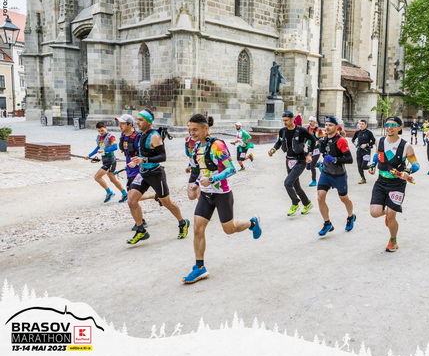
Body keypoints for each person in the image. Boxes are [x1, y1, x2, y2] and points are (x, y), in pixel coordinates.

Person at [181, 114, 261, 284]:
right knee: (197, 229)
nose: (192, 133)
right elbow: (203, 170)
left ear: (206, 128)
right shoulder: (197, 147)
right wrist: (197, 183)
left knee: (229, 229)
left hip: (222, 194)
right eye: (189, 130)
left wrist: (212, 179)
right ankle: (200, 267)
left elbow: (231, 169)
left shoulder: (217, 145)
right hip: (206, 194)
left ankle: (252, 223)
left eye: (195, 129)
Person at [126, 109, 190, 244]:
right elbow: (144, 154)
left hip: (156, 174)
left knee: (166, 202)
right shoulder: (142, 135)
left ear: (149, 122)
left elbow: (162, 156)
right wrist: (136, 161)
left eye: (140, 120)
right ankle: (141, 230)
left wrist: (144, 160)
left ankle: (182, 222)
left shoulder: (154, 136)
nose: (137, 122)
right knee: (131, 200)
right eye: (137, 119)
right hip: (143, 173)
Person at [368, 116, 419, 252]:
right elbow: (377, 155)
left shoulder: (406, 146)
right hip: (381, 181)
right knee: (374, 213)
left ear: (399, 128)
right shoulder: (380, 141)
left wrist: (407, 171)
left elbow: (416, 165)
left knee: (391, 214)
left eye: (393, 125)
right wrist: (372, 165)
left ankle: (393, 240)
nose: (389, 128)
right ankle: (390, 212)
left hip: (397, 184)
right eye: (387, 125)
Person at [268, 111, 316, 216]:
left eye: (286, 120)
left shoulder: (301, 130)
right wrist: (273, 149)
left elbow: (313, 139)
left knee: (287, 183)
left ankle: (295, 203)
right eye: (283, 120)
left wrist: (310, 154)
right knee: (296, 185)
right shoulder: (282, 131)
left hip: (300, 161)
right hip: (289, 160)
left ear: (292, 119)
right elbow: (279, 142)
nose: (284, 122)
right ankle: (307, 203)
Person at [316, 116, 355, 236]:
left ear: (336, 127)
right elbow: (323, 154)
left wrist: (334, 160)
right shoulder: (323, 140)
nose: (327, 127)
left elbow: (349, 159)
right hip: (326, 174)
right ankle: (327, 223)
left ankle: (350, 216)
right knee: (320, 198)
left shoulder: (341, 141)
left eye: (330, 125)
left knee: (344, 199)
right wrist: (320, 163)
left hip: (339, 175)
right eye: (326, 125)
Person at [85, 121, 128, 203]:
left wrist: (104, 150)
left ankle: (109, 193)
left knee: (97, 177)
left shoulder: (111, 137)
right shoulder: (99, 137)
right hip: (105, 160)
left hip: (110, 161)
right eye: (99, 131)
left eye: (102, 130)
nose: (101, 132)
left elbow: (115, 147)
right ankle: (124, 194)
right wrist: (89, 155)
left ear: (106, 128)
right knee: (113, 180)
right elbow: (98, 148)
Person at [351, 120, 376, 184]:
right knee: (359, 166)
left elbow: (373, 141)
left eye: (362, 124)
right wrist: (355, 145)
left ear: (365, 125)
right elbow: (353, 139)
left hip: (366, 151)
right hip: (359, 151)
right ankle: (363, 179)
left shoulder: (369, 132)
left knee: (363, 166)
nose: (361, 125)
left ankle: (371, 166)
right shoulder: (357, 132)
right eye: (360, 124)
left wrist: (366, 144)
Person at [306, 116, 325, 187]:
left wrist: (318, 141)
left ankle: (314, 181)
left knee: (311, 166)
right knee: (307, 167)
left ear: (315, 122)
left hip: (316, 150)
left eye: (311, 121)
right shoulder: (307, 129)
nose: (310, 122)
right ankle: (319, 164)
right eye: (309, 121)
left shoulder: (318, 130)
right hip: (309, 149)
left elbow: (322, 138)